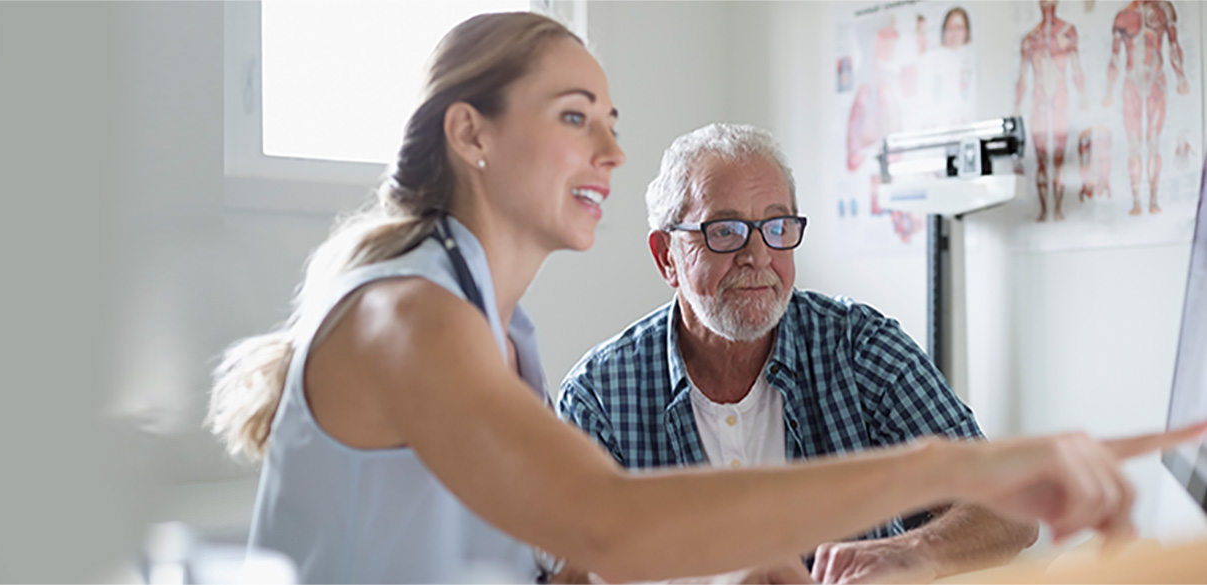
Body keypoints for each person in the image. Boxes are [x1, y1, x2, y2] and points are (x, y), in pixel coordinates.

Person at [206, 11, 1207, 585]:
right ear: (472, 135)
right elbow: (606, 524)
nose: (609, 149)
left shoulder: (488, 326)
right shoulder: (412, 317)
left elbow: (547, 562)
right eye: (573, 117)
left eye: (609, 119)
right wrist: (947, 464)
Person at [556, 124, 1037, 584]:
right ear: (667, 257)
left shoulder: (860, 348)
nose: (758, 256)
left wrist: (912, 554)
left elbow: (1012, 508)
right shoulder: (599, 395)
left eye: (777, 226)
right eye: (725, 231)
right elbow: (572, 572)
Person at [1104, 0, 1188, 216]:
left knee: (1153, 142)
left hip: (1156, 83)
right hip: (1132, 83)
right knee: (1134, 144)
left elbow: (1174, 44)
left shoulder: (1164, 9)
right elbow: (1115, 56)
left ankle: (1153, 198)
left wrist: (1181, 78)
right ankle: (1136, 201)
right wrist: (1108, 90)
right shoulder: (1123, 16)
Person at [1018, 0, 1088, 223]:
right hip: (1038, 102)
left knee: (1059, 160)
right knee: (1040, 160)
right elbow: (1022, 78)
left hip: (1059, 100)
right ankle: (1043, 210)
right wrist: (1014, 108)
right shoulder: (1030, 39)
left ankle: (1057, 209)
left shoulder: (1067, 32)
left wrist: (1085, 98)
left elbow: (1076, 68)